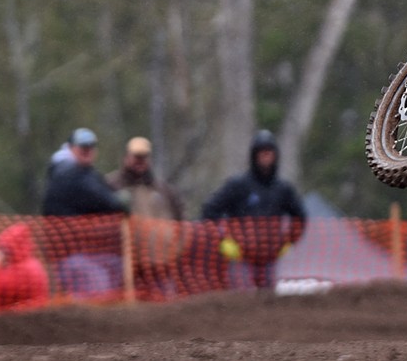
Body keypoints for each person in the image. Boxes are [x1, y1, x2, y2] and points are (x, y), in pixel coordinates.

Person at [201, 130, 306, 290]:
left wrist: (287, 242)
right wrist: (223, 241)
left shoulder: (283, 189)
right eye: (261, 152)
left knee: (268, 306)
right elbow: (209, 211)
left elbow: (300, 218)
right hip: (241, 259)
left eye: (269, 152)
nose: (265, 156)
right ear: (254, 155)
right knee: (242, 305)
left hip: (270, 260)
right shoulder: (238, 185)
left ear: (275, 155)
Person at [41, 127, 128, 298]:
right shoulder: (70, 172)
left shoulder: (77, 171)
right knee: (94, 301)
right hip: (74, 253)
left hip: (86, 252)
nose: (87, 151)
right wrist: (118, 201)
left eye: (91, 147)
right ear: (70, 148)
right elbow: (102, 198)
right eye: (82, 147)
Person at [106, 136, 185, 299]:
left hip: (161, 262)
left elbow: (181, 218)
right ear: (126, 157)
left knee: (166, 304)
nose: (140, 161)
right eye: (136, 157)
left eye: (144, 157)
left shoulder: (163, 189)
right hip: (127, 262)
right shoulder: (111, 185)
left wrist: (177, 248)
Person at [0, 222, 49, 311]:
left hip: (14, 319)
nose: (3, 252)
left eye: (5, 248)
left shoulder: (20, 269)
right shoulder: (34, 264)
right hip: (33, 316)